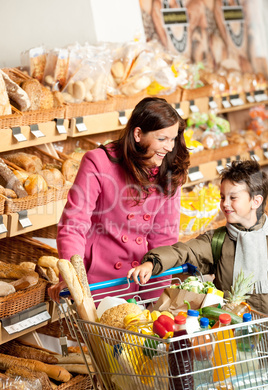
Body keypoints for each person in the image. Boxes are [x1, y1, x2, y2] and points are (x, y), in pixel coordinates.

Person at [48, 97, 190, 303]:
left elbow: (164, 239)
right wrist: (72, 278)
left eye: (173, 139)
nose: (169, 147)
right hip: (95, 282)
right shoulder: (98, 162)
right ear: (138, 134)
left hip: (138, 281)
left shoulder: (169, 170)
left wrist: (154, 302)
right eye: (162, 139)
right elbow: (74, 224)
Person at [127, 159, 268, 314]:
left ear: (256, 201)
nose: (225, 204)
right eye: (222, 197)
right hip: (230, 330)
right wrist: (152, 262)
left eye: (233, 198)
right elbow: (184, 251)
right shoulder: (218, 240)